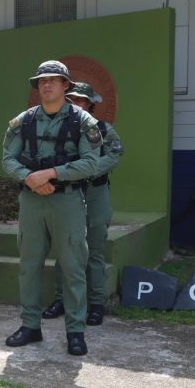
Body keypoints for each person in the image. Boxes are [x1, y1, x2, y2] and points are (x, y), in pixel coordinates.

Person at [2, 60, 102, 356]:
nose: (47, 85)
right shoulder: (24, 121)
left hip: (67, 200)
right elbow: (8, 159)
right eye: (42, 81)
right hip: (32, 200)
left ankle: (75, 331)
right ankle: (30, 325)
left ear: (65, 85)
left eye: (54, 80)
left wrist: (51, 174)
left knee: (72, 266)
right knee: (29, 265)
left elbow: (91, 162)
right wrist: (30, 179)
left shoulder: (83, 121)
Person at [43, 81, 123, 326]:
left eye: (82, 100)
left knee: (95, 250)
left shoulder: (102, 129)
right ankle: (61, 299)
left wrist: (88, 169)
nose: (77, 103)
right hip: (66, 194)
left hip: (94, 192)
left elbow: (115, 153)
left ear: (90, 104)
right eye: (73, 99)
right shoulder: (59, 128)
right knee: (64, 249)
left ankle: (96, 303)